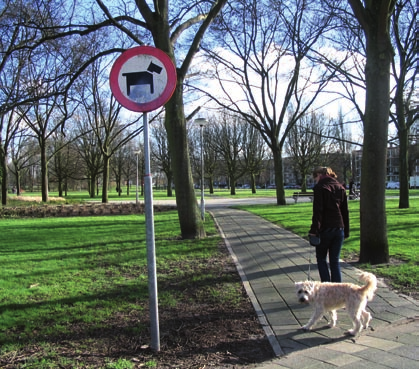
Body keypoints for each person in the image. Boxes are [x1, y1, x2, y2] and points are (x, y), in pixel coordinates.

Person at [309, 166, 349, 283]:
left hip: (325, 228)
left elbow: (318, 211)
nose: (315, 180)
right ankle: (337, 291)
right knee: (334, 261)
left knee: (321, 258)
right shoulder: (340, 188)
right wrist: (346, 231)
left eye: (315, 177)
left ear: (319, 175)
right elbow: (344, 212)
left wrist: (314, 230)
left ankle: (326, 288)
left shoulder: (320, 187)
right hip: (339, 228)